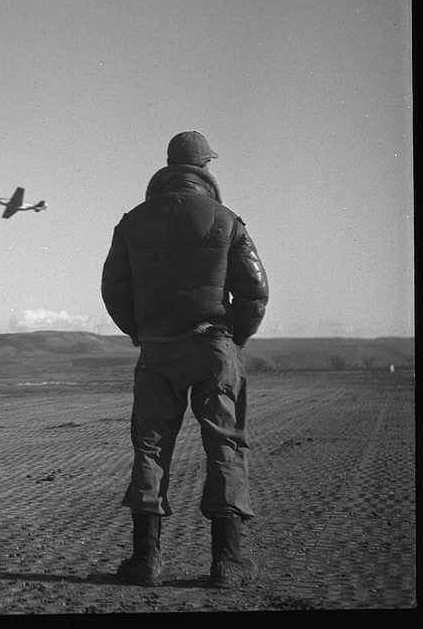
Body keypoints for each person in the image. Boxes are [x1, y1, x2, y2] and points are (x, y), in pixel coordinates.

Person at [100, 131, 269, 589]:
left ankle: (145, 561)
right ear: (205, 168)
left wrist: (140, 330)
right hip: (213, 346)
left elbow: (113, 289)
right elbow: (255, 290)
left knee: (150, 448)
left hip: (156, 351)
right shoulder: (227, 220)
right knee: (224, 446)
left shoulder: (132, 222)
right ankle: (228, 562)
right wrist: (236, 337)